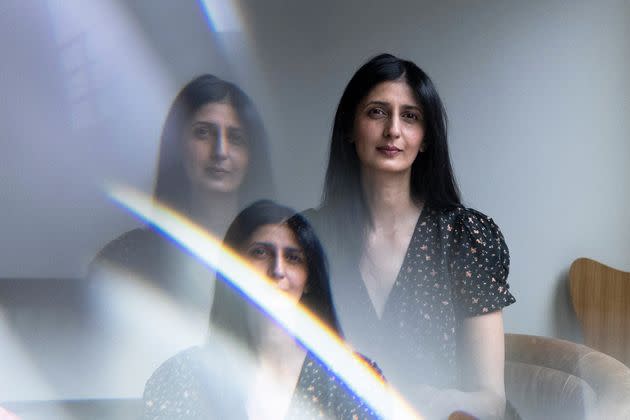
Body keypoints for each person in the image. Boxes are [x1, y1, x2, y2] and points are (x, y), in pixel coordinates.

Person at [305, 53, 516, 419]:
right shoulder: (306, 237)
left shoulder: (465, 237)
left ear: (426, 138)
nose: (393, 130)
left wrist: (433, 399)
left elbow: (491, 400)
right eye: (376, 112)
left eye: (410, 116)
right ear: (349, 129)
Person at [142, 200, 379, 420]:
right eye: (260, 253)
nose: (277, 269)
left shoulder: (355, 380)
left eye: (293, 258)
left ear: (309, 279)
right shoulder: (180, 377)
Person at [89, 74, 275, 310]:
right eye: (203, 133)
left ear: (252, 155)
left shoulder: (281, 264)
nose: (220, 151)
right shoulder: (124, 258)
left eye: (236, 138)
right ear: (178, 145)